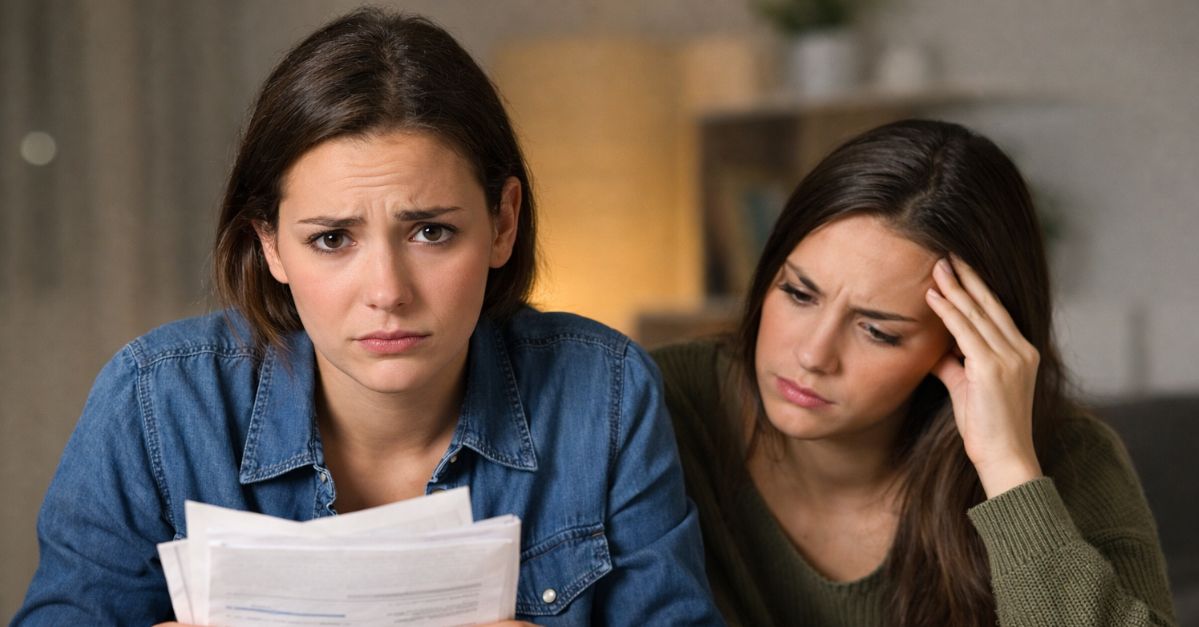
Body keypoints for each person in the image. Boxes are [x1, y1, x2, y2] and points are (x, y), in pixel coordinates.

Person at [14, 8, 720, 626]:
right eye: (332, 239)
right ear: (271, 245)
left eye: (431, 232)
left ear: (503, 223)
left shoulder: (605, 391)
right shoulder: (155, 401)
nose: (387, 291)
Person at [653, 119, 1176, 626]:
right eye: (798, 293)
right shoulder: (656, 403)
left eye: (877, 331)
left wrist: (1007, 470)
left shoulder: (1066, 458)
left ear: (965, 346)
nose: (813, 355)